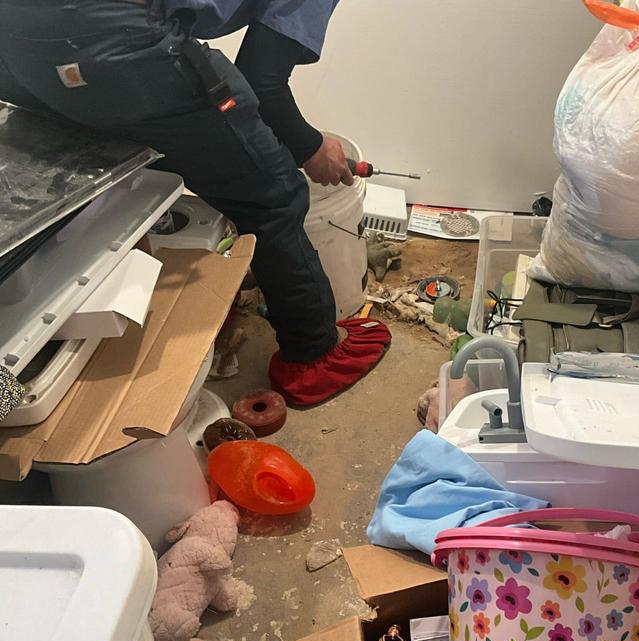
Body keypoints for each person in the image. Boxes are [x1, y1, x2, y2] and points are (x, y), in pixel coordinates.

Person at [0, 0, 391, 407]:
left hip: (14, 38)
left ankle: (38, 329)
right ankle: (313, 359)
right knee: (273, 195)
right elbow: (263, 80)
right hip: (110, 38)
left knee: (82, 168)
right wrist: (310, 146)